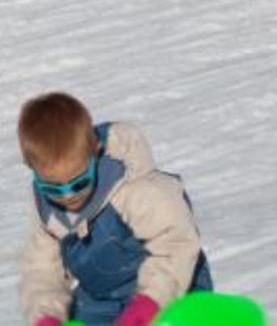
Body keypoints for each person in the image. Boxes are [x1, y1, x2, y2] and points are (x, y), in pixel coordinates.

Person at [16, 91, 213, 326]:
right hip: (101, 302)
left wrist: (149, 304)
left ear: (95, 151)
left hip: (172, 286)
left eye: (79, 183)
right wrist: (46, 316)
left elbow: (176, 245)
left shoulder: (137, 189)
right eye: (54, 188)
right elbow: (41, 273)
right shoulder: (49, 215)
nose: (68, 197)